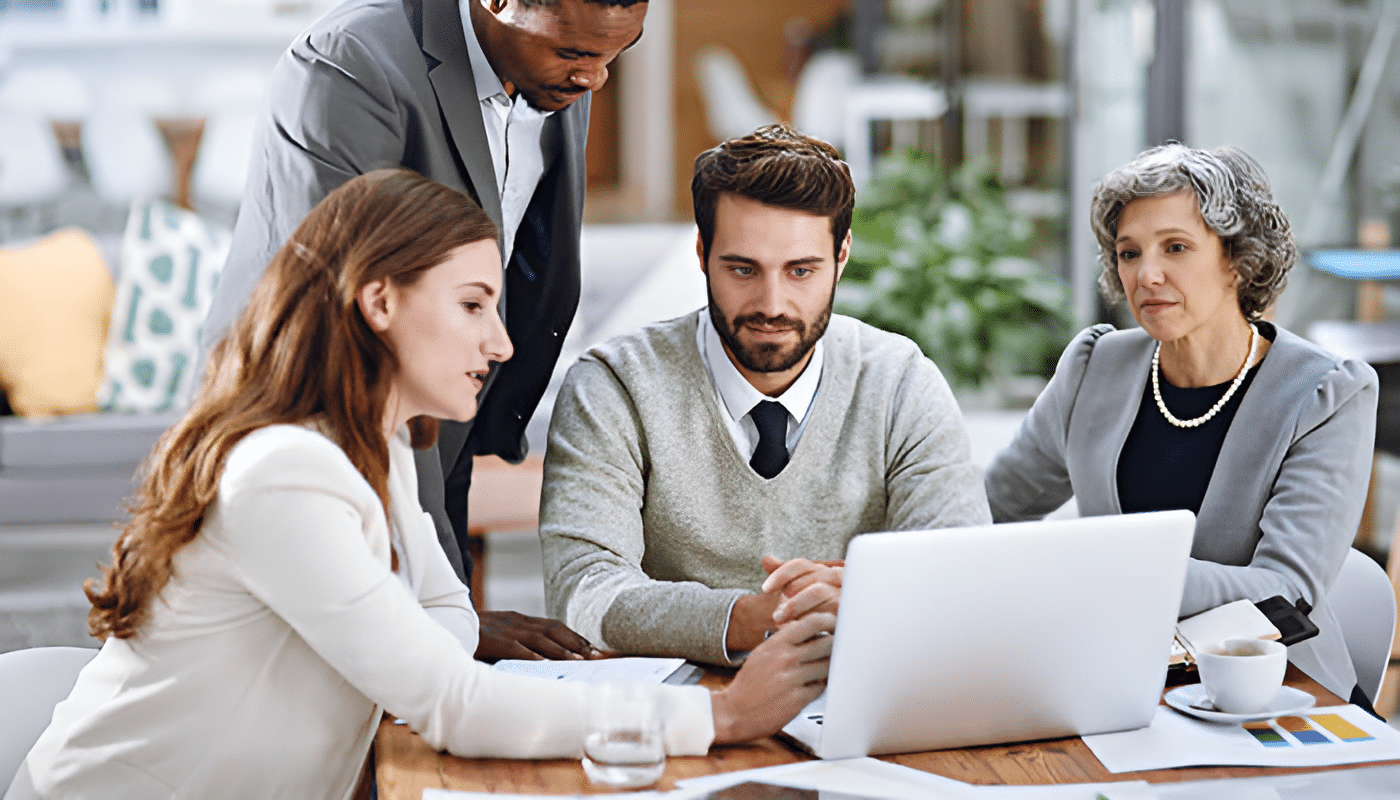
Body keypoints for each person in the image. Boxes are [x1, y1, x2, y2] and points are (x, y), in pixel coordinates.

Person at [5, 171, 834, 800]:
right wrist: (722, 717)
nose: (502, 343)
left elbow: (444, 627)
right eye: (473, 305)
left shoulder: (380, 443)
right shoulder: (285, 472)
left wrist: (411, 663)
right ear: (379, 301)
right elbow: (452, 702)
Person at [199, 0, 649, 660]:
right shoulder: (349, 68)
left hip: (439, 429)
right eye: (578, 55)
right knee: (318, 688)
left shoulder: (560, 67)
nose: (596, 80)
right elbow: (352, 341)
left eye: (617, 54)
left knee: (430, 695)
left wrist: (451, 613)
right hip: (309, 431)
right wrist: (449, 620)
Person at [537, 124, 992, 666]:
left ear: (842, 256)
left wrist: (856, 595)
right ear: (702, 252)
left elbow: (960, 578)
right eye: (742, 269)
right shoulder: (614, 386)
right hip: (682, 715)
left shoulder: (901, 384)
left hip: (855, 700)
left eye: (801, 271)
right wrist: (750, 618)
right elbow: (584, 595)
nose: (772, 303)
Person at [983, 144, 1378, 703]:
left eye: (1176, 247)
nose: (1146, 274)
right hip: (1123, 683)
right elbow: (988, 508)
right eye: (1128, 253)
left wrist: (1110, 569)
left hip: (1277, 694)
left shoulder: (1326, 394)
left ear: (1238, 259)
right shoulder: (1094, 367)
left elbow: (1283, 593)